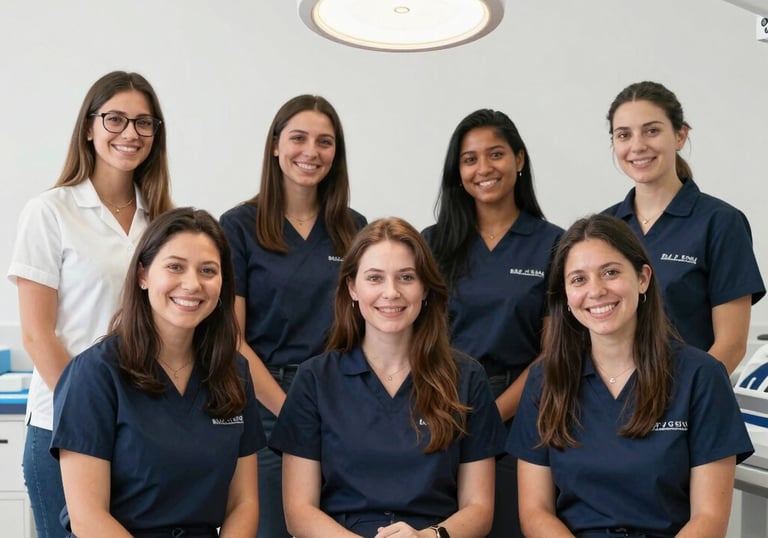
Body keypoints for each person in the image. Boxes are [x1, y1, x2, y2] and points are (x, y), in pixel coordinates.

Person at [508, 214, 753, 538]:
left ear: (643, 278)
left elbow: (708, 519)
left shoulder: (701, 377)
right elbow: (535, 512)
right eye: (578, 279)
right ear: (565, 296)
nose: (596, 291)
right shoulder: (545, 379)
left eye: (610, 272)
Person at [6, 70, 173, 538]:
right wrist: (92, 412)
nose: (130, 133)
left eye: (144, 123)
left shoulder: (162, 220)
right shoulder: (50, 212)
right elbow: (39, 335)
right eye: (115, 119)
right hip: (65, 427)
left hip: (144, 427)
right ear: (88, 126)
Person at [269, 217, 506, 538]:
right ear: (353, 288)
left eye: (406, 277)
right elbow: (299, 512)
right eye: (375, 278)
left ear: (425, 289)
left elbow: (479, 509)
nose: (391, 292)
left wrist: (427, 537)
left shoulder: (467, 378)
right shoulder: (314, 379)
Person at [51, 207, 265, 537]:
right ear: (143, 274)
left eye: (208, 270)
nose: (192, 284)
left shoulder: (235, 373)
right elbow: (88, 516)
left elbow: (244, 503)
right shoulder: (95, 374)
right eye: (175, 267)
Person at [219, 94, 366, 537]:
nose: (311, 152)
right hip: (265, 404)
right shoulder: (239, 226)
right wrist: (291, 410)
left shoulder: (353, 227)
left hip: (342, 398)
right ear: (275, 146)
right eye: (298, 138)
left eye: (325, 142)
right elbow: (233, 339)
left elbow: (369, 323)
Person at [423, 108, 563, 538]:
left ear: (519, 160)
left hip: (521, 412)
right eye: (469, 159)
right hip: (438, 407)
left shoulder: (553, 244)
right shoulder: (431, 244)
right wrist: (447, 414)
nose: (483, 168)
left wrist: (487, 415)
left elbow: (551, 355)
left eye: (496, 154)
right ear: (457, 171)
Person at [602, 81, 764, 374]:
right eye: (624, 135)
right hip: (612, 404)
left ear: (679, 136)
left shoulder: (720, 222)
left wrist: (679, 404)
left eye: (652, 130)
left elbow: (731, 345)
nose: (637, 145)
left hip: (685, 406)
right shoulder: (604, 228)